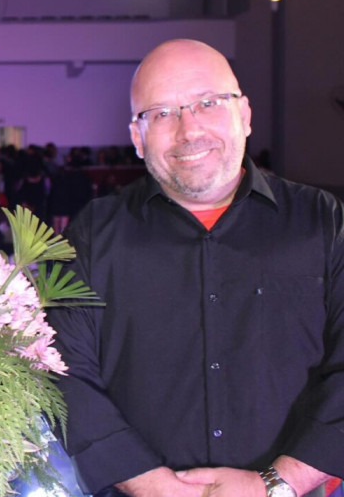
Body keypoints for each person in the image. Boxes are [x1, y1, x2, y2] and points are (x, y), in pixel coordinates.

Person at [52, 39, 344, 497]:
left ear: (244, 114)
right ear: (137, 137)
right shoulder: (91, 236)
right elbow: (63, 371)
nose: (189, 130)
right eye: (162, 113)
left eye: (208, 103)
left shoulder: (324, 221)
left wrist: (277, 485)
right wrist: (149, 484)